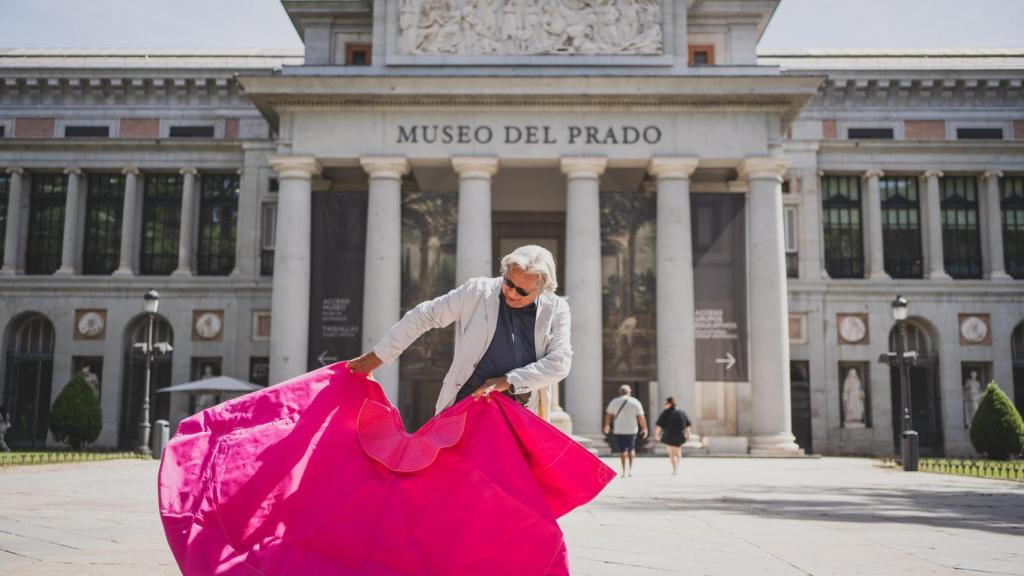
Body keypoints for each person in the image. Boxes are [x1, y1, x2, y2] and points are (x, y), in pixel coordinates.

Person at [348, 245, 571, 419]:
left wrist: (507, 381)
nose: (512, 293)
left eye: (522, 291)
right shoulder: (476, 291)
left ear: (542, 290)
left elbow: (560, 362)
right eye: (508, 283)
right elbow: (424, 315)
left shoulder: (556, 308)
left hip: (518, 409)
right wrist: (379, 355)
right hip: (467, 402)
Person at [603, 385, 648, 477]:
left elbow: (608, 415)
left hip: (619, 429)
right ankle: (631, 469)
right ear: (630, 391)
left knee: (623, 450)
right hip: (632, 429)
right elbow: (641, 417)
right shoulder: (635, 402)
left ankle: (624, 471)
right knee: (631, 449)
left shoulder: (614, 402)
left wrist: (606, 425)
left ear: (620, 392)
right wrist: (644, 428)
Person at [654, 396, 691, 476]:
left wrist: (656, 434)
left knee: (671, 454)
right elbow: (687, 425)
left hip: (669, 435)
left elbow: (659, 425)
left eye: (666, 403)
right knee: (678, 453)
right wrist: (688, 434)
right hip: (679, 435)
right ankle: (676, 468)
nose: (664, 405)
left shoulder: (665, 413)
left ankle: (674, 469)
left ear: (670, 404)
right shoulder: (681, 412)